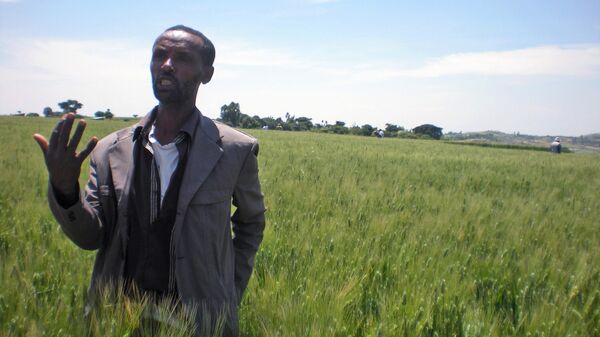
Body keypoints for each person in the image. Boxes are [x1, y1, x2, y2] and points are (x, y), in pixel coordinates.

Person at [33, 25, 266, 337]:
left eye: (181, 57)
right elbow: (90, 238)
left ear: (206, 73)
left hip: (199, 324)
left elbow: (251, 223)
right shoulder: (109, 150)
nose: (167, 64)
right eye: (159, 55)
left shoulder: (235, 150)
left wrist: (226, 292)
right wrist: (65, 191)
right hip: (120, 321)